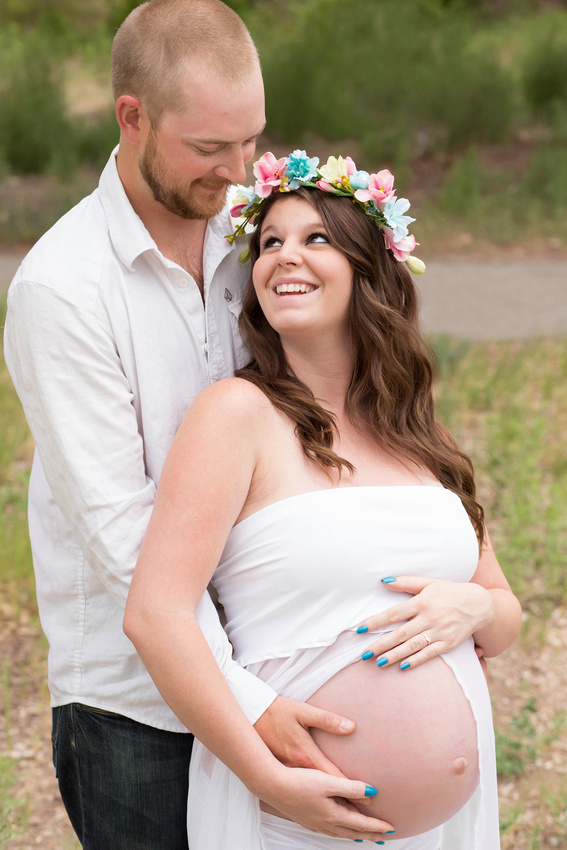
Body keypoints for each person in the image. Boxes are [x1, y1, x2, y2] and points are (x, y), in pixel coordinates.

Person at [4, 3, 394, 847]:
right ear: (131, 117)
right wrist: (248, 713)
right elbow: (123, 538)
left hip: (279, 659)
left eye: (248, 142)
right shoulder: (62, 289)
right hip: (138, 709)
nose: (235, 172)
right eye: (208, 149)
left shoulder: (255, 235)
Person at [124, 150, 522, 849]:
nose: (283, 257)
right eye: (269, 242)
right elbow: (156, 615)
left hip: (445, 827)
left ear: (369, 270)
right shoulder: (235, 415)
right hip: (292, 816)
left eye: (315, 239)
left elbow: (503, 614)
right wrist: (263, 775)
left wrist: (477, 606)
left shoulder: (418, 429)